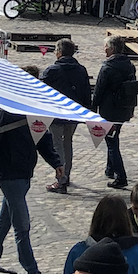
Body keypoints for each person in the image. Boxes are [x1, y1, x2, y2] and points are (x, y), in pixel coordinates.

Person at [0, 68, 66, 274]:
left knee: (5, 219)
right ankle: (32, 271)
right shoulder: (4, 111)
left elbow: (43, 138)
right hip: (9, 175)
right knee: (22, 225)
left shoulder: (33, 109)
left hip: (25, 173)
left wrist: (55, 161)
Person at [42, 39, 92, 193]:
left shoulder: (52, 70)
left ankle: (61, 180)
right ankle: (66, 175)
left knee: (57, 145)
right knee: (67, 144)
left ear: (59, 52)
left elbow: (41, 90)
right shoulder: (81, 69)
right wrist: (86, 112)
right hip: (74, 114)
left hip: (56, 114)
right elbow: (86, 92)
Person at [94, 36, 138, 189]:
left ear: (111, 49)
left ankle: (121, 176)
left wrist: (92, 109)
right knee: (113, 138)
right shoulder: (129, 66)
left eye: (105, 46)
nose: (103, 49)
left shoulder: (107, 67)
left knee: (112, 143)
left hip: (110, 111)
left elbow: (98, 90)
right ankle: (110, 168)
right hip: (124, 109)